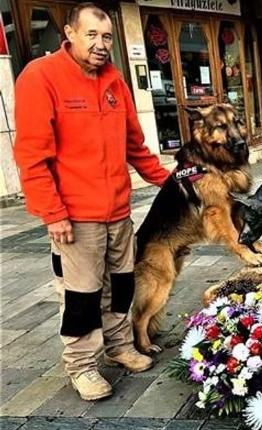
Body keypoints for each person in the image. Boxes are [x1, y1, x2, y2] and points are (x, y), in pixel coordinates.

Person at [13, 2, 171, 401]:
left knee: (119, 286)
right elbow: (31, 156)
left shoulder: (114, 80)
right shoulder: (41, 77)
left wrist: (171, 182)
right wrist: (53, 213)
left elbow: (135, 144)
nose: (101, 45)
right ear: (69, 33)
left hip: (118, 211)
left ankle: (118, 348)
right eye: (92, 35)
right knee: (81, 295)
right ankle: (82, 366)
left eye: (106, 37)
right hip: (74, 216)